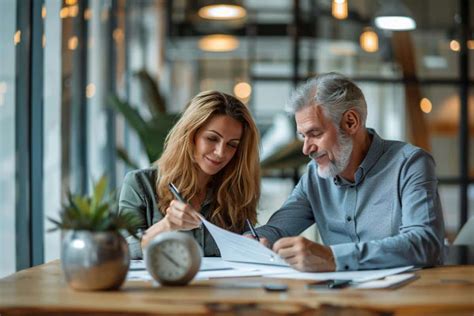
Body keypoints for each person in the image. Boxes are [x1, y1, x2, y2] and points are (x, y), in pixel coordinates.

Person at [254, 72, 445, 272]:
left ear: (351, 122)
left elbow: (425, 244)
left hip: (404, 296)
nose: (306, 149)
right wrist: (254, 240)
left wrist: (333, 258)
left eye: (315, 134)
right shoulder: (314, 176)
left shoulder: (410, 164)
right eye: (303, 136)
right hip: (338, 298)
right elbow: (277, 229)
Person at [119, 90, 260, 259]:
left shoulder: (237, 191)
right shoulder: (140, 184)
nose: (221, 152)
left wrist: (251, 245)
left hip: (220, 285)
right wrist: (165, 226)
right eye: (212, 138)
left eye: (232, 144)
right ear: (190, 135)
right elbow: (119, 251)